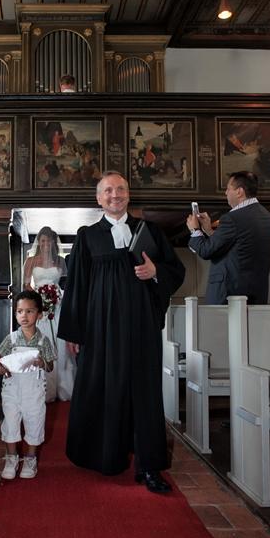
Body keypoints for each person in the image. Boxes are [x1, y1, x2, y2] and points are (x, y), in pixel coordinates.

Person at [58, 171, 185, 492]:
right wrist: (74, 331)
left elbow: (175, 270)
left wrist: (156, 272)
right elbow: (77, 287)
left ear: (129, 194)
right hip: (100, 330)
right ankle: (106, 457)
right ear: (99, 198)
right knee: (104, 387)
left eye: (121, 189)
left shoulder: (150, 231)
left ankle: (150, 466)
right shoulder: (87, 236)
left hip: (141, 325)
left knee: (145, 393)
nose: (115, 195)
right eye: (108, 191)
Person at [186, 171, 270, 304]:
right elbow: (236, 247)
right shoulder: (266, 216)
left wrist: (195, 230)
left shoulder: (233, 218)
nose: (226, 193)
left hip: (229, 296)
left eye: (228, 189)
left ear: (239, 192)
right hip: (256, 295)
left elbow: (206, 251)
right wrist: (209, 230)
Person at [0, 290, 55, 480]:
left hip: (33, 390)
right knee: (11, 422)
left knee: (34, 421)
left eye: (29, 311)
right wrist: (0, 368)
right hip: (12, 388)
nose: (24, 316)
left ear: (39, 314)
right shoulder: (11, 339)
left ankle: (30, 458)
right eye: (20, 311)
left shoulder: (44, 341)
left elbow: (51, 365)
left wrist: (42, 363)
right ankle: (11, 458)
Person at [23, 226, 76, 403]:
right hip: (39, 307)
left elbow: (65, 284)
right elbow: (26, 286)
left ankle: (63, 388)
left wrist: (55, 296)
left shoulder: (60, 261)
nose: (46, 244)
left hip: (58, 305)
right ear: (39, 242)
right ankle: (43, 388)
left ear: (53, 242)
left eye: (49, 241)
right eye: (43, 241)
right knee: (41, 341)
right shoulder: (31, 261)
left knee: (60, 343)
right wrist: (39, 299)